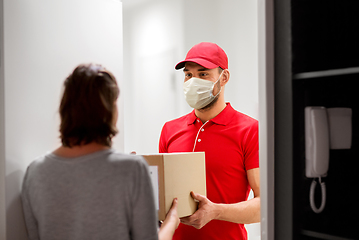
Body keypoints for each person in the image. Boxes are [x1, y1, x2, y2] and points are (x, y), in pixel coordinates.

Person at [21, 63, 179, 240]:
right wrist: (171, 221)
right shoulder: (132, 169)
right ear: (108, 110)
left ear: (65, 109)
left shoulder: (35, 172)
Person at [159, 42, 260, 240]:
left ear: (224, 78)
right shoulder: (170, 130)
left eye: (203, 74)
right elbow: (163, 198)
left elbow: (265, 205)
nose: (193, 81)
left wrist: (216, 211)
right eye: (188, 75)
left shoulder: (249, 130)